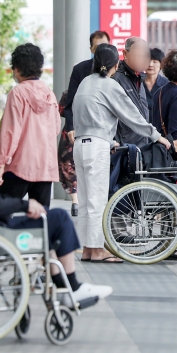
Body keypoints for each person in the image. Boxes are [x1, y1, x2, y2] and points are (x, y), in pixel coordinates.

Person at [0, 91, 112, 307]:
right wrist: (25, 204)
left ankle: (66, 287)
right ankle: (71, 287)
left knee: (50, 227)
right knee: (58, 219)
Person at [72, 43, 171, 263]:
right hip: (97, 146)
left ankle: (88, 248)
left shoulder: (85, 83)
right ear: (115, 65)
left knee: (86, 201)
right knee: (97, 200)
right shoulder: (109, 85)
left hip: (79, 145)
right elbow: (132, 116)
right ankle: (97, 250)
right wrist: (156, 136)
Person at [0, 44, 60, 208]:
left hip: (20, 166)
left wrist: (1, 165)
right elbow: (56, 128)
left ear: (16, 69)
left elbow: (10, 131)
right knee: (40, 221)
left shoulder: (17, 93)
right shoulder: (49, 93)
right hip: (45, 166)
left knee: (0, 213)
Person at [61, 30, 111, 216]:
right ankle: (84, 207)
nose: (100, 52)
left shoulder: (116, 68)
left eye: (104, 47)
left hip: (107, 130)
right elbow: (70, 100)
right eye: (97, 48)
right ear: (91, 49)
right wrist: (71, 126)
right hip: (83, 128)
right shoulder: (80, 69)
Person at [113, 37, 152, 148]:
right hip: (125, 146)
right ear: (125, 54)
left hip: (142, 143)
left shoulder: (139, 77)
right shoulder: (116, 78)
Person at [144, 47, 168, 124]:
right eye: (148, 61)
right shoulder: (136, 82)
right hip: (140, 129)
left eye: (155, 62)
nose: (150, 64)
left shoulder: (166, 84)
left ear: (161, 64)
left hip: (160, 129)